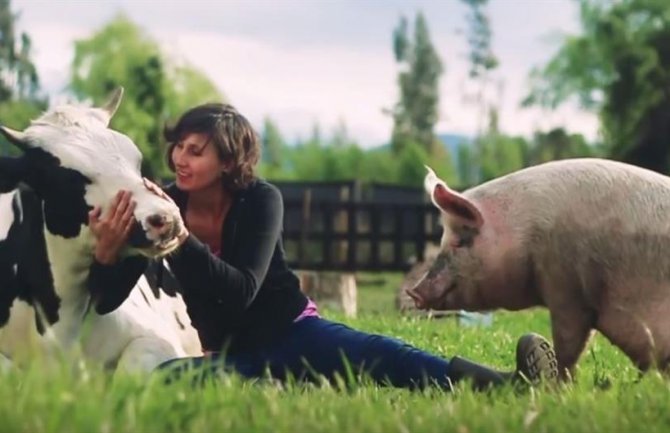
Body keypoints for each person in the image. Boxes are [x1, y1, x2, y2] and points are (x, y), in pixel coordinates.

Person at [87, 102, 559, 391]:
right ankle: (266, 383)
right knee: (163, 381)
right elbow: (108, 298)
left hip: (295, 333)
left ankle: (505, 384)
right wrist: (108, 254)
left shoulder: (260, 201)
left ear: (228, 159)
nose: (180, 159)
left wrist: (180, 240)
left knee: (383, 354)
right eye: (179, 147)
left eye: (196, 150)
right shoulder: (163, 208)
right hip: (231, 356)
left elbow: (238, 293)